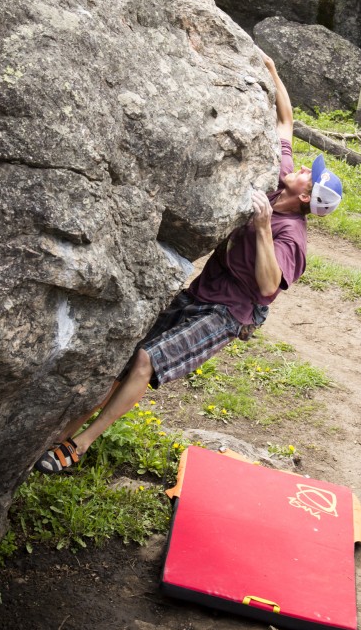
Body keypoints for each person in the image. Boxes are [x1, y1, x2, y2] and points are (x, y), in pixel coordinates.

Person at [34, 54, 343, 474]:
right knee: (122, 360)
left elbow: (269, 286)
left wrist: (264, 227)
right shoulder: (280, 174)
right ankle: (56, 439)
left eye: (312, 173)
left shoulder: (292, 235)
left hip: (228, 314)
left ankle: (82, 444)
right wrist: (272, 70)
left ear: (307, 197)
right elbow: (285, 123)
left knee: (145, 359)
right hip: (203, 292)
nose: (306, 166)